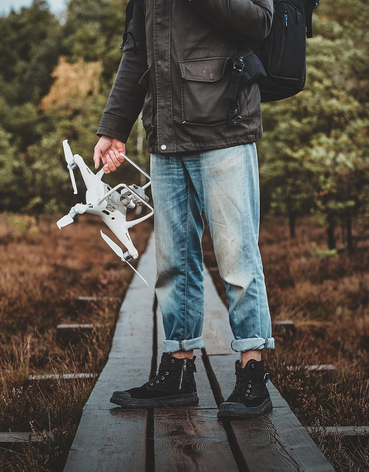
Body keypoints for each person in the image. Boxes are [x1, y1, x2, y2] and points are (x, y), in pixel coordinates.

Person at [93, 0, 275, 419]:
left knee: (237, 256)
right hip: (166, 135)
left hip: (226, 127)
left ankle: (252, 372)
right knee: (173, 259)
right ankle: (178, 370)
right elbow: (136, 53)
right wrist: (114, 128)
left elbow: (259, 22)